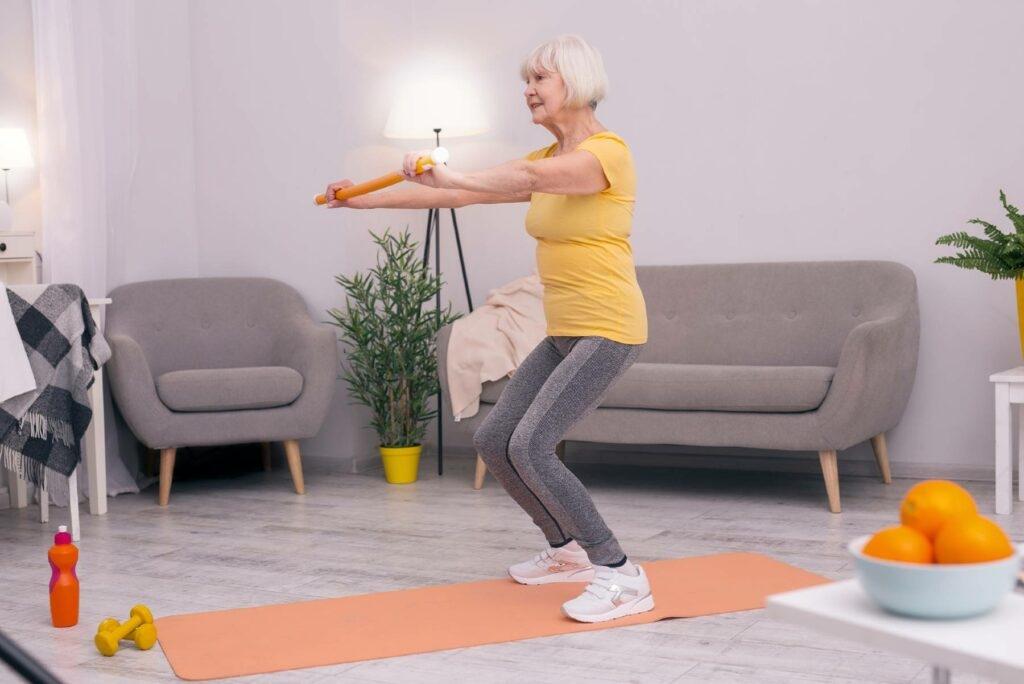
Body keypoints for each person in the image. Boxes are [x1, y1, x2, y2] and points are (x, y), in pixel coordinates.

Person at [324, 34, 651, 623]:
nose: (527, 89)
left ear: (574, 83)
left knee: (531, 444)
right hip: (565, 330)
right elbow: (463, 195)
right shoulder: (547, 161)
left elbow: (487, 182)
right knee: (494, 439)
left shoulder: (605, 155)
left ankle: (620, 572)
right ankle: (566, 551)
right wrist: (361, 203)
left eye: (540, 79)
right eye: (525, 79)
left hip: (610, 326)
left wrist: (455, 175)